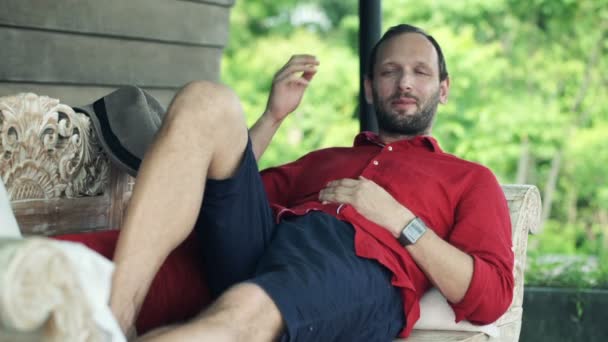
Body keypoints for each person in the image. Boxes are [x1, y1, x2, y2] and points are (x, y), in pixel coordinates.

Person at [109, 24, 514, 342]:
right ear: (371, 90)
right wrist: (272, 118)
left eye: (420, 72)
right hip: (270, 248)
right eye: (390, 72)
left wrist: (399, 220)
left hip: (361, 272)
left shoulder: (470, 179)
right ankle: (111, 321)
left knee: (246, 308)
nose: (404, 82)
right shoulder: (327, 160)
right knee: (206, 98)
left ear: (443, 90)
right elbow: (217, 192)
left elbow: (491, 296)